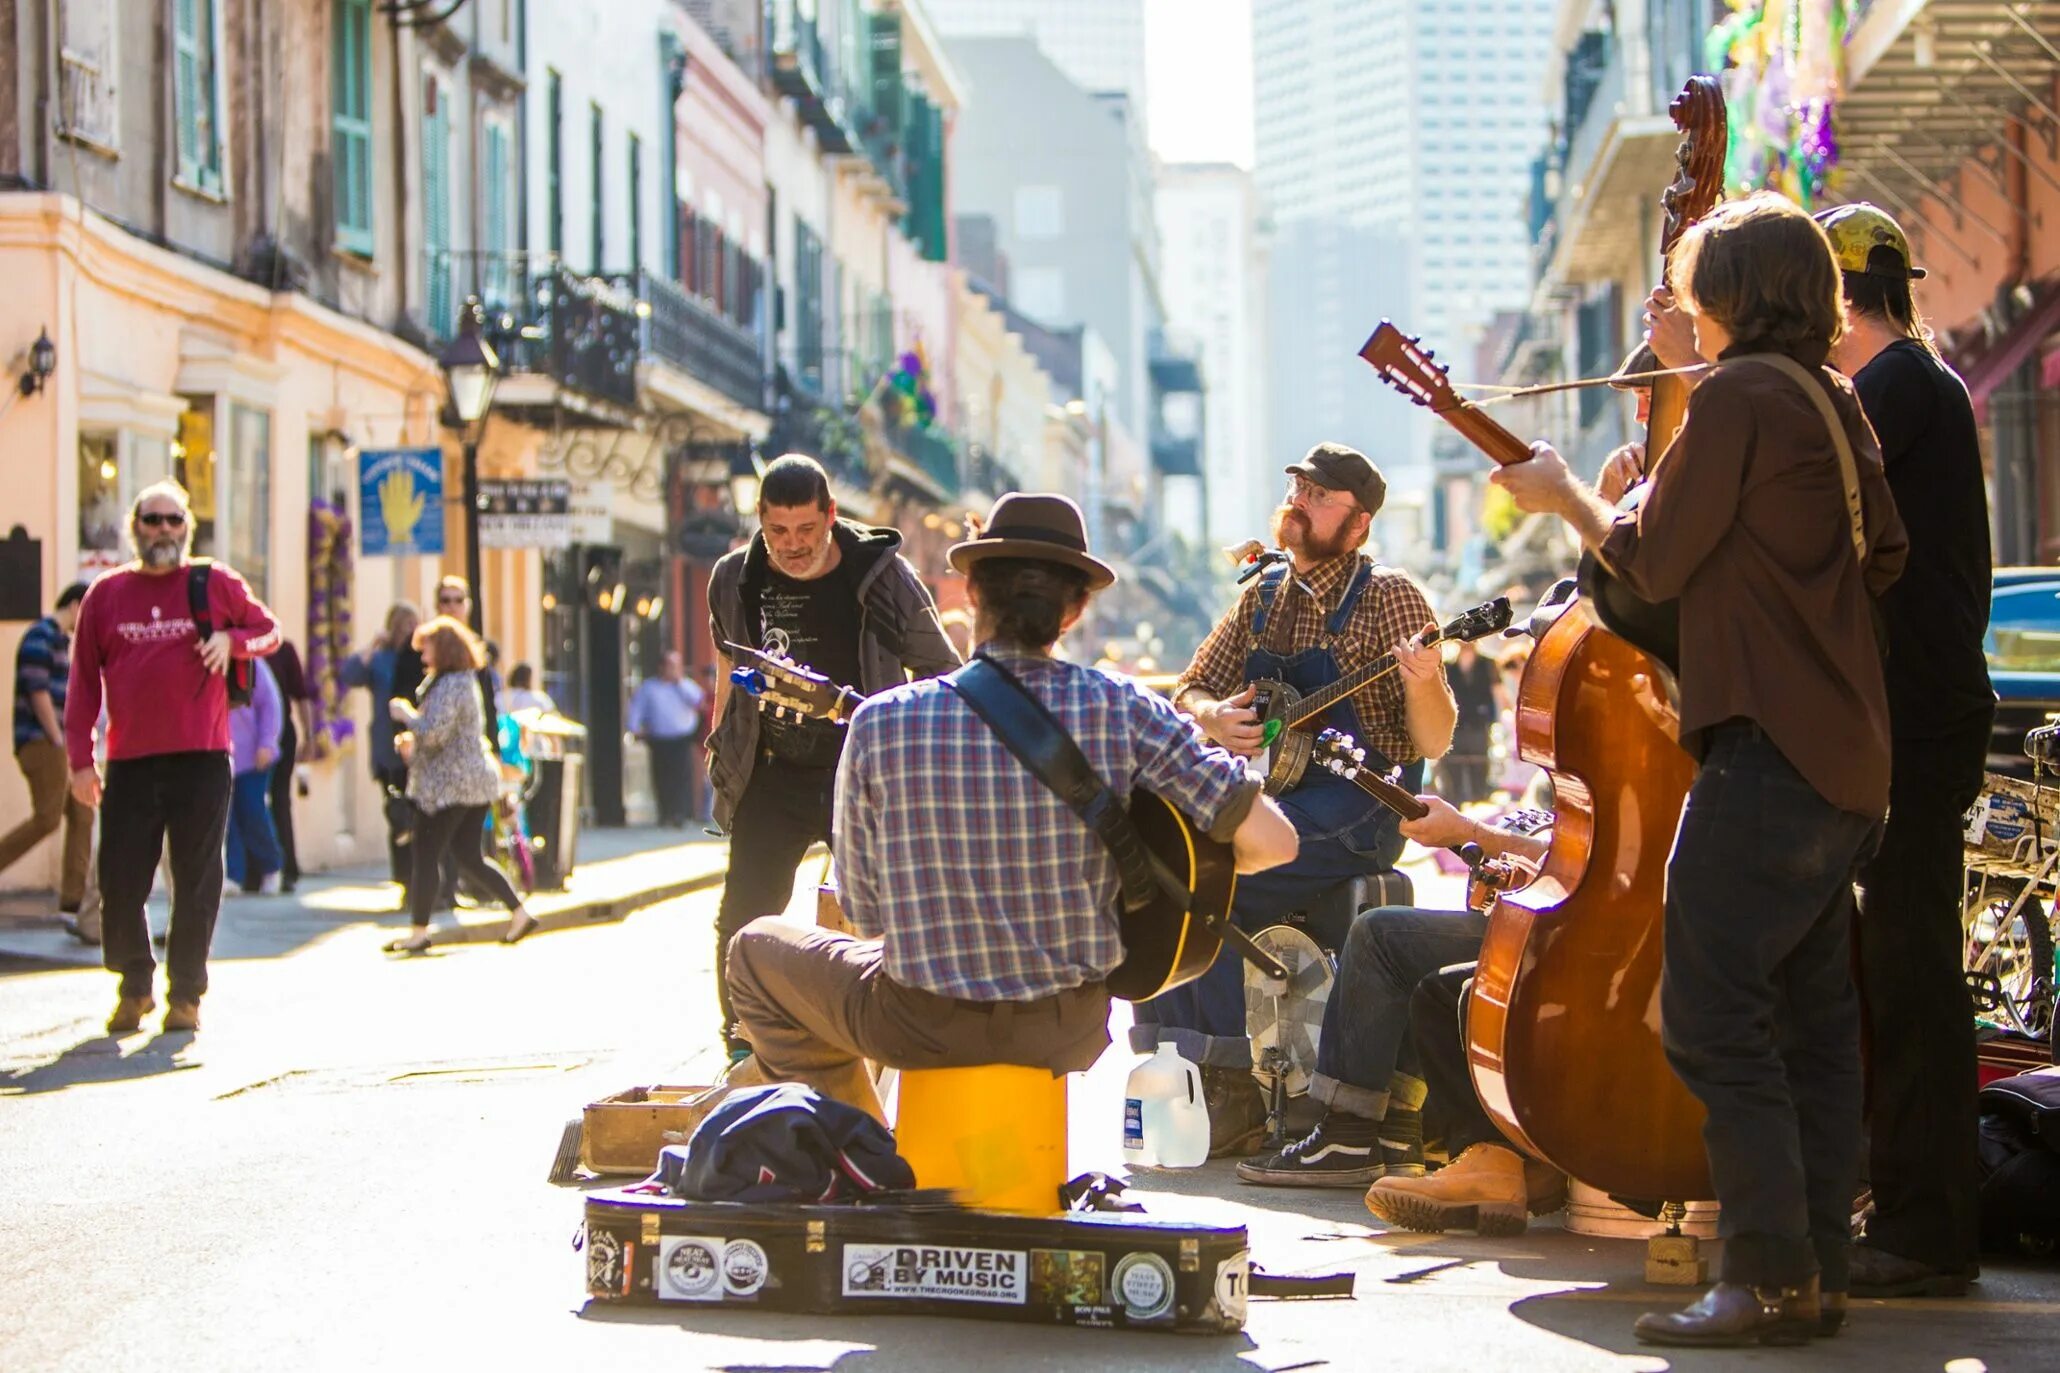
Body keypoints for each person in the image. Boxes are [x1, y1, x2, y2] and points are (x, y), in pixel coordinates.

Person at [1493, 192, 1907, 1346]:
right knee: (1811, 1022)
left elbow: (1653, 562)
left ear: (1727, 298)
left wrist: (1565, 494)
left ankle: (1764, 1274)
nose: (1680, 308)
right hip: (1846, 753)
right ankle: (1811, 1272)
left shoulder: (1733, 398)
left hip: (1768, 748)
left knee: (1714, 1013)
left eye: (1689, 290)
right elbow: (1882, 551)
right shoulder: (1830, 400)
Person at [723, 492, 1298, 1117]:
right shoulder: (1125, 707)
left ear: (970, 594)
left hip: (918, 1022)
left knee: (753, 950)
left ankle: (863, 1143)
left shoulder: (880, 722)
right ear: (1074, 610)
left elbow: (867, 916)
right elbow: (1277, 843)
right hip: (1068, 1028)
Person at [1138, 442, 1457, 1155]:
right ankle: (1182, 1069)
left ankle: (1229, 1088)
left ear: (1358, 524)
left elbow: (1432, 741)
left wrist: (1424, 679)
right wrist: (1212, 715)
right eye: (1299, 488)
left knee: (1213, 875)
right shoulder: (1262, 595)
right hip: (1275, 793)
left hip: (1360, 806)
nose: (1300, 500)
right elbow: (1188, 687)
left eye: (1320, 495)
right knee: (1163, 862)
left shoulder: (1390, 595)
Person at [705, 454, 961, 1058]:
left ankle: (887, 1035)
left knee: (882, 914)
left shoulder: (882, 576)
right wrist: (721, 746)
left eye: (806, 531)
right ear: (761, 522)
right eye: (777, 532)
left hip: (860, 773)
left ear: (831, 516)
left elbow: (944, 671)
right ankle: (742, 1041)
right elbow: (727, 664)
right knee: (743, 912)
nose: (792, 546)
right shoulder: (731, 578)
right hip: (771, 768)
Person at [1235, 794, 1548, 1187]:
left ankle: (1346, 1137)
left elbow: (1580, 859)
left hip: (1565, 940)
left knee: (1379, 935)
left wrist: (1470, 833)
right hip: (1559, 927)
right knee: (1416, 960)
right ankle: (1397, 1131)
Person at [65, 481, 281, 1035]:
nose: (163, 530)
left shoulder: (214, 582)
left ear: (187, 527)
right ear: (134, 526)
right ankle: (134, 983)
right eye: (152, 520)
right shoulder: (106, 595)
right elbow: (83, 683)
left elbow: (268, 631)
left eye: (173, 521)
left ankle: (185, 995)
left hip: (202, 756)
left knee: (197, 879)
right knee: (119, 879)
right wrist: (80, 759)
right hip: (130, 759)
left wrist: (233, 641)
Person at [383, 616, 537, 953]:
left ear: (445, 649)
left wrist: (406, 714)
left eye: (428, 647)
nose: (423, 654)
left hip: (451, 786)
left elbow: (435, 731)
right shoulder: (458, 681)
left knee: (425, 852)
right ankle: (520, 913)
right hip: (471, 782)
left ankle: (419, 931)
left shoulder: (452, 684)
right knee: (469, 856)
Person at [0, 581, 91, 915]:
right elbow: (37, 692)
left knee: (83, 812)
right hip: (41, 742)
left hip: (58, 742)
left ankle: (74, 897)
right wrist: (57, 738)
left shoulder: (60, 641)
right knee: (48, 818)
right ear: (74, 606)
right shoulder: (40, 635)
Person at [340, 602, 422, 887]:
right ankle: (402, 876)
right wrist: (373, 645)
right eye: (402, 625)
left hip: (418, 745)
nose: (408, 631)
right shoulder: (383, 659)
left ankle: (418, 878)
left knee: (419, 815)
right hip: (387, 748)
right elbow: (349, 674)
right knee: (397, 812)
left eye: (412, 624)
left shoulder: (421, 658)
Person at [224, 657, 285, 895]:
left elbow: (270, 704)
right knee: (227, 820)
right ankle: (233, 875)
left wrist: (267, 742)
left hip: (252, 756)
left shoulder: (251, 665)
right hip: (222, 756)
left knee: (253, 811)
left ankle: (271, 867)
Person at [629, 651, 708, 828]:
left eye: (676, 666)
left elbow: (699, 701)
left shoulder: (685, 686)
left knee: (681, 777)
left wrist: (679, 682)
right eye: (670, 666)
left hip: (681, 738)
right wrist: (635, 729)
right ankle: (665, 813)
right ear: (661, 667)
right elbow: (637, 709)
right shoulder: (649, 688)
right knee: (662, 777)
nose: (674, 670)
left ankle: (680, 814)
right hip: (659, 739)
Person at [264, 639, 314, 892]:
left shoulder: (282, 649)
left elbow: (301, 694)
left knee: (280, 800)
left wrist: (309, 735)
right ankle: (258, 868)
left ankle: (288, 867)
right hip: (245, 737)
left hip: (281, 736)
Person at [1442, 639, 1501, 803]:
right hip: (1453, 725)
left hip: (1478, 724)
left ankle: (1479, 806)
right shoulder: (1447, 665)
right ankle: (1454, 807)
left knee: (1479, 769)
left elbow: (1498, 691)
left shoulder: (1488, 664)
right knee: (1452, 771)